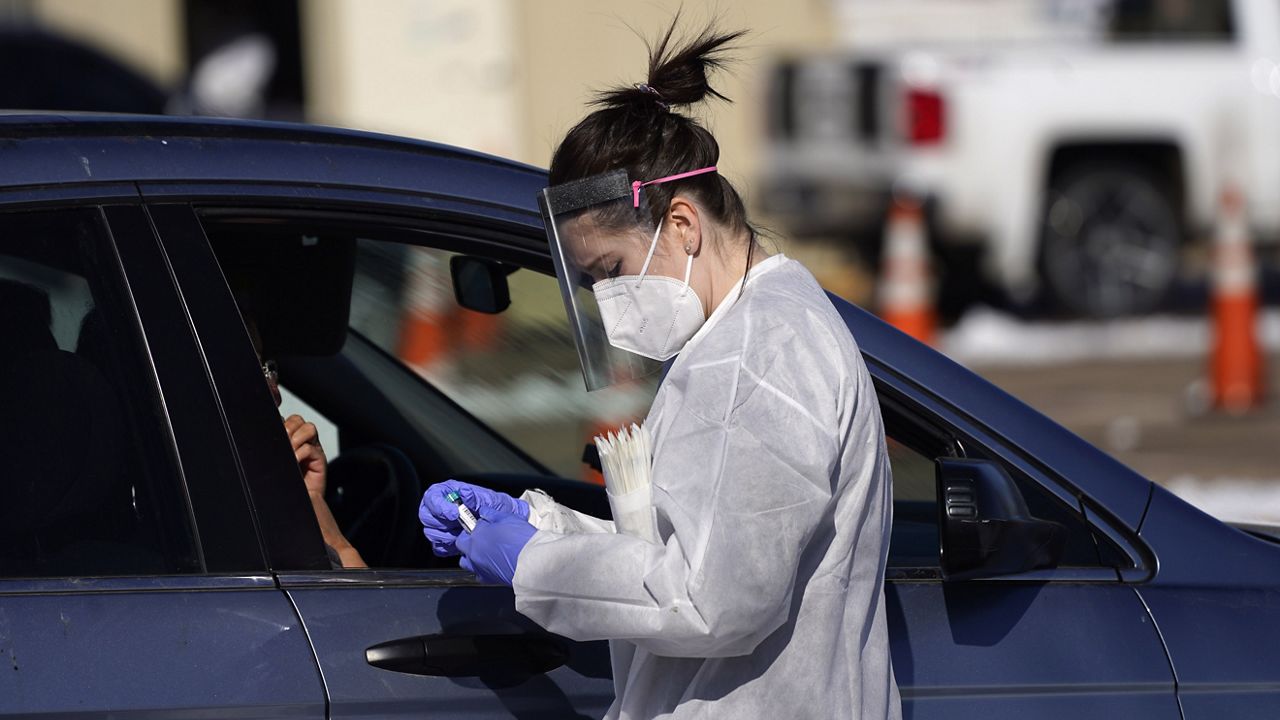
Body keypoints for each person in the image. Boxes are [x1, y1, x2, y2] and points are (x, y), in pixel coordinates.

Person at [420, 21, 899, 719]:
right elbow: (691, 544)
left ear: (682, 224)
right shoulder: (746, 334)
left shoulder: (755, 358)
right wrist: (542, 525)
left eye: (610, 271)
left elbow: (712, 598)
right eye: (592, 283)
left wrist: (531, 561)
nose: (610, 302)